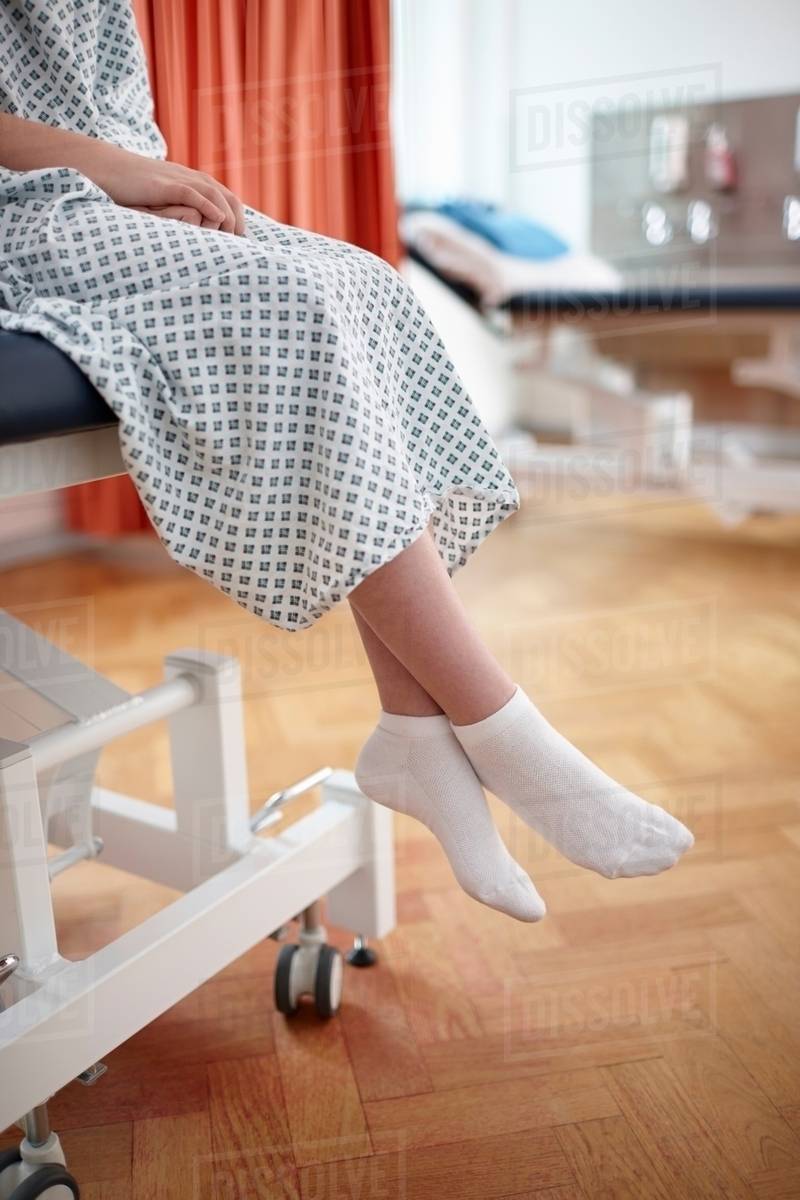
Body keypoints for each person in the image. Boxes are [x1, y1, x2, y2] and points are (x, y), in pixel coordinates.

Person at [0, 0, 692, 924]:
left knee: (366, 282)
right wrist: (121, 170)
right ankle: (500, 729)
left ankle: (412, 728)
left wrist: (153, 180)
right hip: (25, 206)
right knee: (289, 305)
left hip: (118, 192)